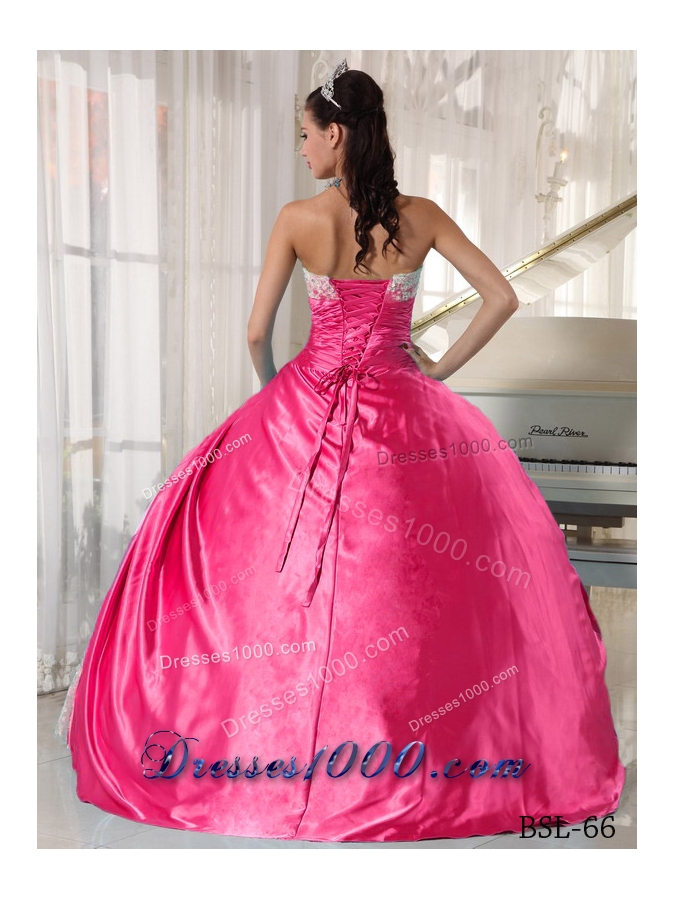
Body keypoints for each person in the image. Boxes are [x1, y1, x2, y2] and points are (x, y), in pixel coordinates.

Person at [62, 61, 625, 843]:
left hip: (305, 399)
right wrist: (437, 371)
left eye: (305, 134)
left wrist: (273, 400)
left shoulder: (299, 218)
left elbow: (255, 332)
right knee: (411, 581)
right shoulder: (421, 216)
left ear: (336, 134)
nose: (300, 148)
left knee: (278, 576)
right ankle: (423, 748)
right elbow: (501, 296)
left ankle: (279, 748)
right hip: (405, 409)